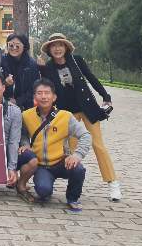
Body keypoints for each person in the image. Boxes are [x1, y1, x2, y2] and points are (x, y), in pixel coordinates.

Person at [38, 33, 121, 201]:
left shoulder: (77, 60)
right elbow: (47, 89)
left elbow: (91, 78)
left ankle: (113, 183)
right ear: (49, 50)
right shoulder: (48, 67)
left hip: (88, 108)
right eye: (53, 46)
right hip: (68, 113)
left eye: (60, 45)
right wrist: (41, 69)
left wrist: (106, 96)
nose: (57, 49)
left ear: (66, 47)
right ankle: (76, 184)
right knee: (73, 149)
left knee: (98, 145)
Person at [20, 78, 92, 212]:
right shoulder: (26, 115)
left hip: (62, 162)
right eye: (39, 93)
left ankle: (73, 198)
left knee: (78, 169)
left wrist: (77, 155)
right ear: (34, 96)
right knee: (43, 191)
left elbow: (85, 135)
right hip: (42, 165)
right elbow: (23, 134)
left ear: (54, 97)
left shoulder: (65, 116)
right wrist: (25, 144)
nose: (43, 96)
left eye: (47, 93)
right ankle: (46, 188)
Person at [0, 71, 38, 202]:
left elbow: (13, 141)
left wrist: (12, 168)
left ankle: (20, 184)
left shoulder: (15, 110)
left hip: (9, 151)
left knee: (32, 160)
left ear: (3, 87)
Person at [0, 33, 39, 111]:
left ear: (24, 46)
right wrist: (5, 83)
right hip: (4, 104)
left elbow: (34, 88)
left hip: (26, 106)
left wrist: (18, 101)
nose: (14, 48)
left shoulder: (31, 64)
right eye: (11, 45)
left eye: (17, 46)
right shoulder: (2, 61)